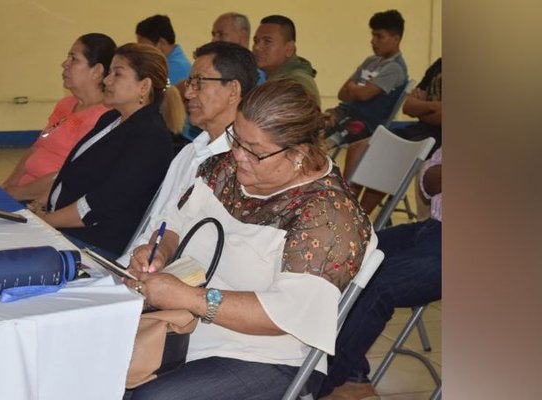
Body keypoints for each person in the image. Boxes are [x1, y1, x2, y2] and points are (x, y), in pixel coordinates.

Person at [123, 79, 374, 400]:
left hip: (266, 355)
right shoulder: (224, 168)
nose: (238, 155)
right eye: (235, 139)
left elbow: (284, 314)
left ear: (298, 153)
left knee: (154, 398)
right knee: (94, 364)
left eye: (254, 151)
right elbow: (173, 222)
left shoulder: (329, 216)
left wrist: (190, 299)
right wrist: (159, 252)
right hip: (181, 325)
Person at [30, 43, 184, 258]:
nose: (106, 80)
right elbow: (72, 171)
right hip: (65, 228)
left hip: (94, 244)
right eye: (109, 72)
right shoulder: (111, 119)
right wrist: (40, 204)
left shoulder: (150, 137)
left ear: (144, 86)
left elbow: (102, 203)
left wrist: (47, 221)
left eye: (117, 74)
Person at [118, 41, 259, 265]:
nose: (187, 92)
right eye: (190, 82)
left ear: (233, 90)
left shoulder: (243, 166)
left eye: (198, 83)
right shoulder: (189, 152)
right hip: (137, 263)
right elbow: (156, 222)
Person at [319, 148, 442, 400]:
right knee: (345, 251)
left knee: (375, 283)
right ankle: (347, 372)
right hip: (434, 228)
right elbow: (428, 183)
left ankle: (329, 381)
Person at [1, 33, 116, 202]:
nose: (64, 64)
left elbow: (71, 176)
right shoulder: (66, 104)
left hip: (48, 201)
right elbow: (37, 146)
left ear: (97, 71)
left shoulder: (103, 118)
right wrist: (9, 184)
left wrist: (18, 194)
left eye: (74, 59)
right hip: (23, 192)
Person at [344, 58, 442, 215]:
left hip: (437, 138)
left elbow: (442, 117)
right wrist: (432, 107)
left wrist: (422, 109)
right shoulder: (439, 65)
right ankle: (346, 208)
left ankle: (360, 217)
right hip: (417, 129)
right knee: (359, 148)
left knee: (389, 158)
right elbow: (408, 107)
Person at [324, 9, 408, 148]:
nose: (373, 41)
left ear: (395, 39)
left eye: (379, 36)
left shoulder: (395, 68)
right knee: (311, 125)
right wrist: (360, 89)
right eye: (373, 35)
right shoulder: (370, 61)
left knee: (322, 142)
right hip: (343, 113)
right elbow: (342, 94)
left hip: (363, 124)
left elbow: (363, 95)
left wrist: (354, 88)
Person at [252, 15, 320, 105]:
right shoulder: (273, 79)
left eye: (267, 41)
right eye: (256, 41)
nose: (257, 47)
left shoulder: (296, 83)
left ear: (289, 49)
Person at [211, 12, 267, 84]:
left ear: (242, 35)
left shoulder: (259, 75)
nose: (214, 40)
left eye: (221, 34)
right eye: (213, 34)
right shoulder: (212, 70)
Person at [136, 14, 192, 85]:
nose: (141, 53)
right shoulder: (171, 64)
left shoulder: (175, 68)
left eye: (145, 48)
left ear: (161, 43)